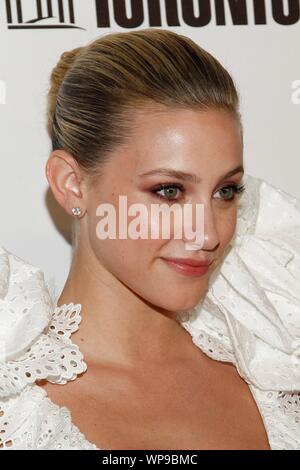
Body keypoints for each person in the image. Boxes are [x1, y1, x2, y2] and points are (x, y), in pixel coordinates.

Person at [1, 28, 299, 450]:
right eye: (169, 191)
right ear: (72, 185)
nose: (209, 234)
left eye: (225, 191)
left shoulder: (277, 367)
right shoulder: (13, 409)